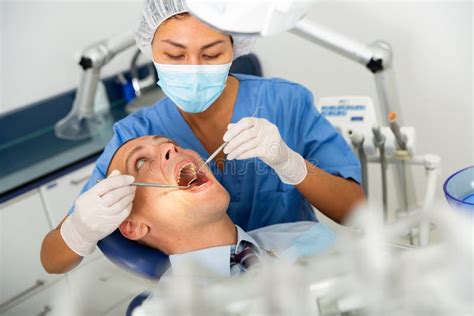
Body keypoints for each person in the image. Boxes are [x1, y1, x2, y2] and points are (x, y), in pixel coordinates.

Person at [40, 0, 364, 274]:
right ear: (149, 48)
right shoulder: (135, 135)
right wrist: (80, 230)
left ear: (235, 48)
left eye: (210, 55)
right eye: (175, 56)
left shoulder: (284, 103)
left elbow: (356, 210)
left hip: (297, 261)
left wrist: (290, 163)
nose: (193, 68)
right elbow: (53, 259)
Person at [108, 136, 336, 277]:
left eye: (173, 144)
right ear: (133, 226)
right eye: (140, 162)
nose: (171, 148)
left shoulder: (308, 234)